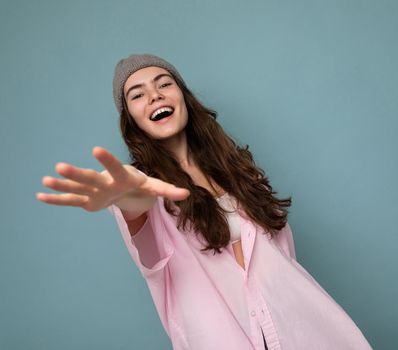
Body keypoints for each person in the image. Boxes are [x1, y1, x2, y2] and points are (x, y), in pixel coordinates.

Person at [36, 54, 373, 350]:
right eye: (137, 95)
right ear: (132, 119)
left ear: (182, 95)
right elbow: (140, 220)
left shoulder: (240, 172)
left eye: (163, 84)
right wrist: (127, 194)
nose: (154, 96)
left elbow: (285, 256)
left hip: (301, 326)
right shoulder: (146, 192)